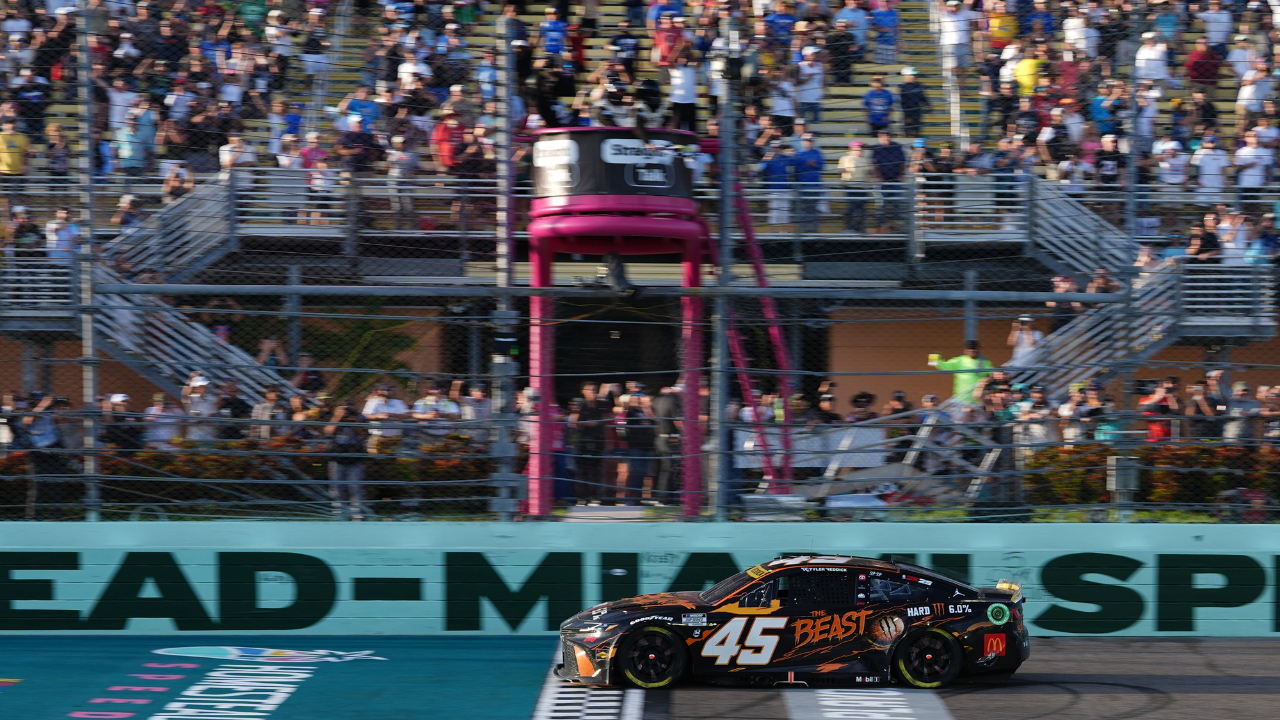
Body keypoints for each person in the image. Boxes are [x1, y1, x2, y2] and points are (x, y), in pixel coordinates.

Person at [323, 401, 369, 520]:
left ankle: (358, 514)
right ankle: (339, 514)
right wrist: (338, 417)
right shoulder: (333, 417)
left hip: (355, 457)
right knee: (337, 487)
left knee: (356, 487)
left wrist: (355, 421)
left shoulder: (360, 418)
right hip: (338, 457)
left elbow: (363, 435)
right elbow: (328, 432)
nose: (347, 412)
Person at [927, 340, 993, 403]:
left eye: (974, 349)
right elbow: (945, 366)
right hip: (961, 399)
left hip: (976, 400)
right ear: (966, 350)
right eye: (970, 349)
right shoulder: (959, 360)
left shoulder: (984, 362)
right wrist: (936, 359)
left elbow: (991, 374)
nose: (972, 351)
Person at [650, 384, 682, 506]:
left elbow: (653, 415)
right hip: (670, 438)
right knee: (669, 469)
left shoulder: (657, 400)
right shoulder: (673, 401)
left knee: (664, 468)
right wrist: (686, 433)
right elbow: (677, 420)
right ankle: (665, 497)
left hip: (660, 437)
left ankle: (662, 496)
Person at [870, 130, 905, 233]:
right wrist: (878, 177)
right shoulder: (876, 148)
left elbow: (902, 162)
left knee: (897, 204)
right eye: (883, 135)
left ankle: (897, 227)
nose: (886, 137)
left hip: (896, 180)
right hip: (882, 181)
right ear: (879, 137)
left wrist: (901, 175)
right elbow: (875, 165)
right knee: (881, 205)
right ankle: (881, 225)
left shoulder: (897, 147)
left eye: (888, 135)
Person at [361, 383, 409, 453]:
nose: (388, 391)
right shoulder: (373, 402)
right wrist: (377, 416)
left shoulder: (398, 402)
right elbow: (366, 415)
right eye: (386, 389)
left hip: (395, 437)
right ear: (379, 391)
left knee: (393, 457)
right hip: (377, 436)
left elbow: (407, 415)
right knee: (374, 456)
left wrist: (392, 415)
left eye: (390, 389)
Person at [839, 141, 873, 232]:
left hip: (863, 186)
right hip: (851, 185)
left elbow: (870, 171)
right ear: (852, 148)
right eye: (858, 148)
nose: (860, 150)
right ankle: (851, 227)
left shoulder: (865, 160)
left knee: (860, 207)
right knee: (854, 206)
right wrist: (844, 178)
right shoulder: (845, 158)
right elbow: (843, 170)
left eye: (861, 148)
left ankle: (857, 227)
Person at [181, 374, 219, 442]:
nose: (205, 388)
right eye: (202, 386)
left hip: (210, 435)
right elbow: (194, 413)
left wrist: (205, 418)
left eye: (205, 386)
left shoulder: (210, 399)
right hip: (194, 435)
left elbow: (212, 415)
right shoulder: (192, 399)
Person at [898, 67, 930, 138]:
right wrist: (907, 116)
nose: (914, 77)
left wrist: (929, 108)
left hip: (917, 112)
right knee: (908, 132)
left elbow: (923, 98)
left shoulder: (919, 86)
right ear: (906, 76)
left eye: (914, 75)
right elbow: (903, 103)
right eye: (912, 75)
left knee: (917, 132)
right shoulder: (903, 87)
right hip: (908, 113)